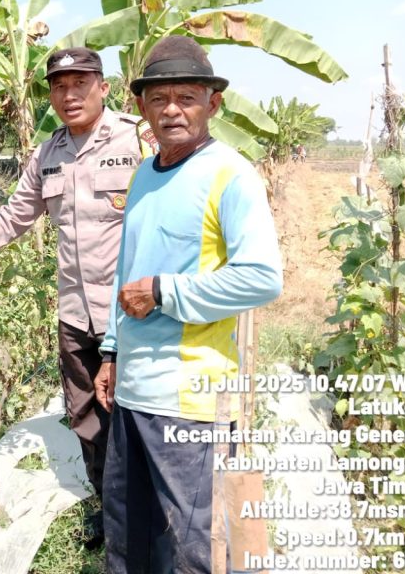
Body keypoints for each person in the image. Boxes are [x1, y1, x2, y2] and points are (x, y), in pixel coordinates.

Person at [0, 47, 146, 547]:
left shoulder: (137, 139)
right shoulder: (47, 154)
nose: (69, 95)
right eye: (59, 86)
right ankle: (109, 510)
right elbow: (14, 217)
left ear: (103, 88)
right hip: (75, 314)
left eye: (80, 84)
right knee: (86, 417)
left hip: (132, 312)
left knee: (138, 414)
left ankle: (148, 513)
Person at [94, 36, 283, 573]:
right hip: (133, 393)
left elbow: (262, 280)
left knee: (192, 548)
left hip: (192, 403)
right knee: (130, 537)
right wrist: (111, 350)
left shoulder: (231, 175)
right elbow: (127, 269)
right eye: (159, 98)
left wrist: (164, 291)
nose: (171, 110)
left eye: (186, 98)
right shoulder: (143, 174)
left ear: (212, 104)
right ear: (141, 106)